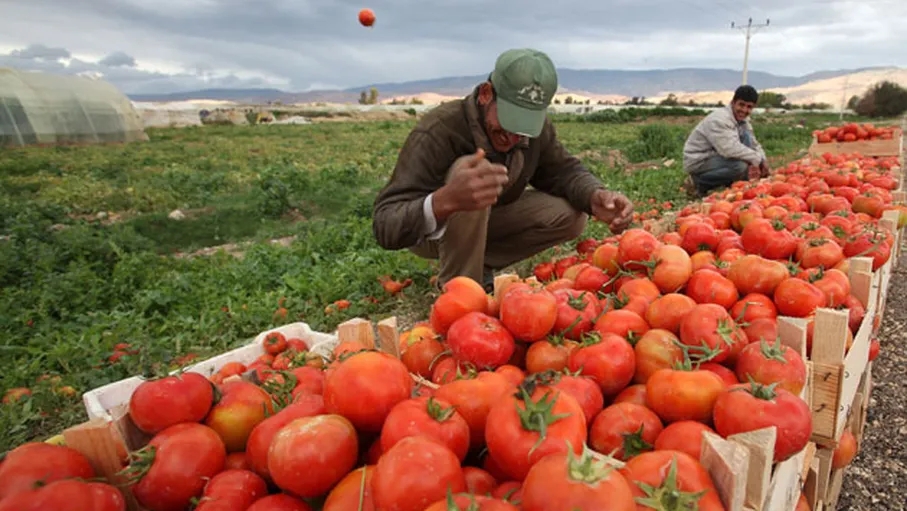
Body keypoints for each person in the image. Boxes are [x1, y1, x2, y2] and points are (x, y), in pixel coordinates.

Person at [372, 48, 634, 292]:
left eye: (523, 127)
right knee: (473, 172)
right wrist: (445, 200)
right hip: (432, 232)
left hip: (488, 221)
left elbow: (562, 171)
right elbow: (385, 223)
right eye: (508, 121)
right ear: (486, 94)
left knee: (570, 215)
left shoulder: (533, 130)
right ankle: (461, 291)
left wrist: (594, 195)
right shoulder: (439, 130)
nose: (512, 137)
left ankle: (481, 264)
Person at [682, 85, 771, 197]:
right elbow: (729, 149)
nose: (744, 110)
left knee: (747, 138)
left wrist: (763, 160)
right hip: (700, 159)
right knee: (739, 167)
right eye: (741, 105)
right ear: (733, 102)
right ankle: (697, 182)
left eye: (749, 107)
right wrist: (757, 160)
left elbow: (754, 143)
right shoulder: (719, 119)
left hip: (718, 155)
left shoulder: (743, 120)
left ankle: (735, 184)